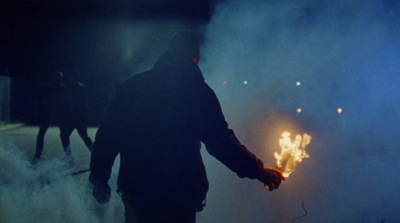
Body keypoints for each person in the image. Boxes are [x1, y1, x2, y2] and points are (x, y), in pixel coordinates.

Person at [89, 31, 284, 223]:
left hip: (138, 191)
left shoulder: (133, 87)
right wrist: (258, 171)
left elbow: (109, 134)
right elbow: (221, 143)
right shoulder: (197, 93)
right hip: (179, 194)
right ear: (196, 58)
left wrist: (99, 177)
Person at [58, 71, 93, 164]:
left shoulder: (69, 88)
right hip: (79, 116)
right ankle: (94, 154)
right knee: (84, 137)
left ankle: (69, 156)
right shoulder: (81, 88)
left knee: (65, 135)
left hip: (73, 117)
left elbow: (66, 102)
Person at [32, 70, 65, 165]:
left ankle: (38, 154)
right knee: (63, 134)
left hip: (49, 113)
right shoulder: (61, 88)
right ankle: (68, 154)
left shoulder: (48, 88)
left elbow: (43, 100)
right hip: (57, 113)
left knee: (42, 133)